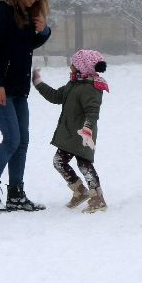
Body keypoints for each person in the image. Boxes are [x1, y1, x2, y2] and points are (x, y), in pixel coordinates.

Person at [0, 0, 52, 212]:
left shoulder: (26, 12)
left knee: (22, 141)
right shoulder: (1, 10)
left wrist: (44, 31)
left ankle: (16, 194)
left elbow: (26, 45)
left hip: (19, 88)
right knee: (11, 139)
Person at [32, 49, 109, 214]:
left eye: (74, 64)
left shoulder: (91, 88)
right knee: (59, 161)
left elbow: (93, 112)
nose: (70, 66)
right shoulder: (74, 84)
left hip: (83, 135)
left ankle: (98, 198)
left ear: (82, 67)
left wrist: (87, 130)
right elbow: (55, 97)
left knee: (84, 164)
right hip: (70, 134)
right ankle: (80, 191)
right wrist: (39, 83)